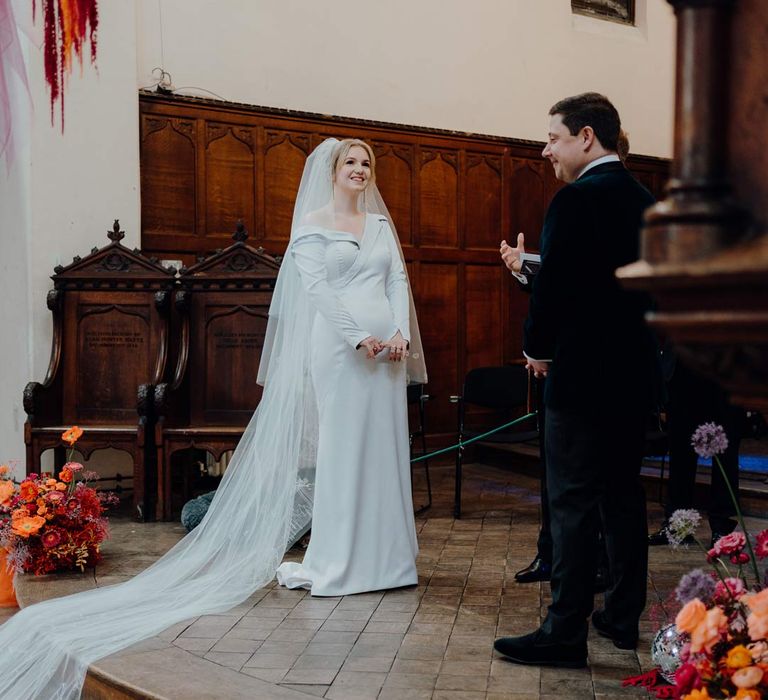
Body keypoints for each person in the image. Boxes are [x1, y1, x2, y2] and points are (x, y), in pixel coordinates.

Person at [0, 137, 426, 699]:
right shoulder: (314, 222)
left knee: (385, 450)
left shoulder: (378, 226)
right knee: (344, 449)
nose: (360, 169)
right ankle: (342, 562)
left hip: (388, 354)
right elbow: (317, 289)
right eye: (350, 161)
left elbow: (397, 280)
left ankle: (390, 559)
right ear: (330, 170)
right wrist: (360, 338)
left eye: (366, 162)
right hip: (343, 351)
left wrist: (397, 332)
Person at [494, 93, 658, 668]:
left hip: (581, 378)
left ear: (586, 137)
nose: (546, 151)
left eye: (553, 139)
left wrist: (535, 350)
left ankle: (563, 632)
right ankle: (621, 617)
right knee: (623, 496)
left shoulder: (574, 200)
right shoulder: (648, 202)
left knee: (570, 505)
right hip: (633, 378)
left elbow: (557, 289)